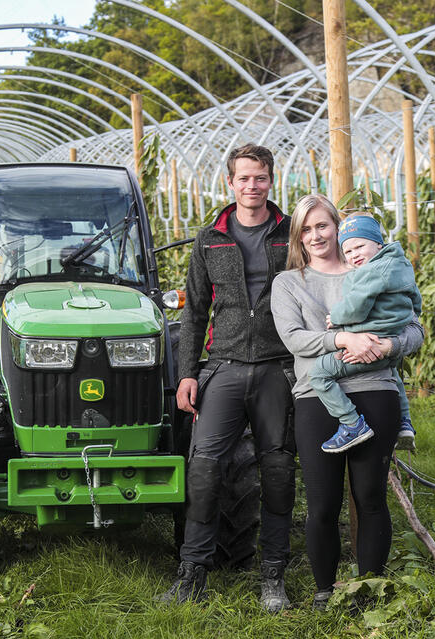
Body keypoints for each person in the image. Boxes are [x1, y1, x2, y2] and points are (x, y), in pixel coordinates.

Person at [157, 143, 296, 611]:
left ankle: (273, 576)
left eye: (260, 177)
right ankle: (192, 571)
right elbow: (194, 312)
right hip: (225, 365)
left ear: (270, 181)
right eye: (244, 178)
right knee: (203, 467)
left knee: (277, 468)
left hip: (278, 366)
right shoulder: (210, 239)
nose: (252, 186)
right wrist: (188, 375)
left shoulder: (289, 234)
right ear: (230, 183)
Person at [270, 194, 424, 610]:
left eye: (323, 225)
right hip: (316, 396)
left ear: (338, 227)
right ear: (297, 237)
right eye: (306, 229)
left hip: (375, 387)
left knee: (369, 494)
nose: (316, 235)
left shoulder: (373, 268)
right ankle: (324, 589)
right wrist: (344, 339)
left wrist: (388, 344)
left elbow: (414, 330)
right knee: (322, 500)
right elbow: (296, 340)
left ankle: (368, 589)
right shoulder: (289, 283)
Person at [309, 214, 422, 453]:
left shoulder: (373, 272)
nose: (354, 255)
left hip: (365, 343)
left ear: (378, 243)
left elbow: (357, 306)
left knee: (319, 373)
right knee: (393, 373)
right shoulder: (400, 266)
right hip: (390, 340)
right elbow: (416, 300)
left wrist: (336, 317)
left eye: (360, 246)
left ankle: (352, 424)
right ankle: (404, 422)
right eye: (348, 252)